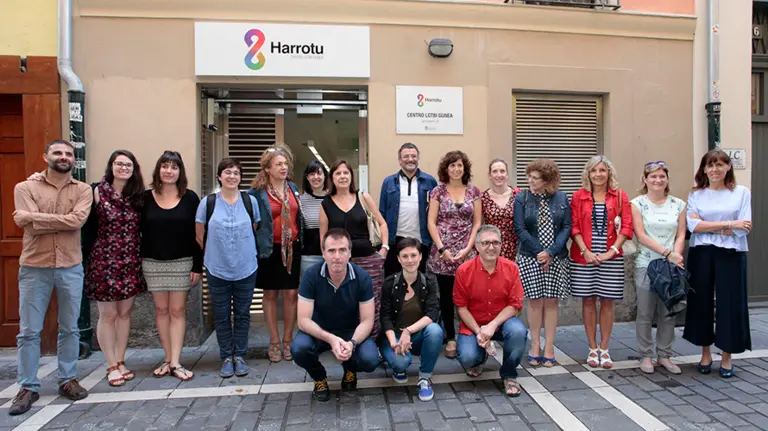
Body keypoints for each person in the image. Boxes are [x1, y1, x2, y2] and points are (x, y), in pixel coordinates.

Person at [9, 140, 92, 415]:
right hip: (35, 266)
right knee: (29, 331)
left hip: (70, 266)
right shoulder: (25, 188)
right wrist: (57, 220)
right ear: (46, 156)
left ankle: (67, 379)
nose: (63, 157)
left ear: (74, 159)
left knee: (70, 328)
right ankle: (28, 386)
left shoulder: (83, 190)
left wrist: (35, 218)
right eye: (58, 153)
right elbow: (26, 225)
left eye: (68, 153)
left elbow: (77, 221)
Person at [684, 150, 752, 378]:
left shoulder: (741, 193)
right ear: (704, 169)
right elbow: (694, 227)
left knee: (730, 303)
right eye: (711, 165)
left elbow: (744, 227)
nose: (715, 170)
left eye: (720, 165)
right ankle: (705, 353)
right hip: (701, 252)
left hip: (732, 253)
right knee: (701, 301)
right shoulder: (696, 194)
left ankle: (726, 356)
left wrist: (709, 225)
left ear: (728, 167)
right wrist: (729, 225)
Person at [291, 228, 380, 402]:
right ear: (323, 253)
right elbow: (303, 320)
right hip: (319, 332)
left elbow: (367, 320)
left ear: (350, 253)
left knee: (370, 360)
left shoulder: (363, 278)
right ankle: (319, 377)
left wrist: (352, 343)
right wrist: (331, 339)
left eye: (342, 250)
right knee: (299, 349)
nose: (337, 256)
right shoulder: (311, 275)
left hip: (350, 332)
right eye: (331, 250)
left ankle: (350, 368)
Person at [86, 149, 147, 387]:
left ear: (134, 169)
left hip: (131, 259)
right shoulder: (96, 191)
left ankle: (121, 360)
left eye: (128, 165)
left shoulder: (137, 195)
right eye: (119, 164)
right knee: (108, 314)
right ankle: (110, 364)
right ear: (111, 166)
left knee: (124, 313)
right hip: (104, 260)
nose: (123, 168)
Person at [195, 158, 261, 378]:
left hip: (246, 267)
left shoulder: (250, 201)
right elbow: (200, 234)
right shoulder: (208, 202)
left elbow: (254, 227)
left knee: (242, 314)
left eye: (236, 173)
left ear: (240, 177)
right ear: (219, 176)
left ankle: (239, 355)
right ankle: (226, 356)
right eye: (227, 172)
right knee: (221, 315)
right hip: (217, 268)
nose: (232, 176)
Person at [141, 151, 201, 381]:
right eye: (165, 166)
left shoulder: (191, 198)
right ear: (158, 170)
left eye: (174, 167)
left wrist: (197, 265)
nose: (169, 171)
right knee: (161, 310)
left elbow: (198, 235)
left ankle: (176, 361)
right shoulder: (145, 198)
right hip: (152, 262)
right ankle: (167, 358)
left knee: (177, 310)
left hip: (182, 262)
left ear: (180, 172)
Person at [569, 155, 632, 369]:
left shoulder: (620, 196)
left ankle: (604, 349)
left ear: (609, 173)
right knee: (587, 301)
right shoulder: (578, 196)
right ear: (588, 173)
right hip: (584, 257)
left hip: (610, 257)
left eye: (602, 170)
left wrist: (611, 252)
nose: (598, 174)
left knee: (607, 301)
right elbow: (574, 226)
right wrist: (585, 251)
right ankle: (592, 347)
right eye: (594, 170)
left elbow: (626, 227)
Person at [454, 225, 528, 397]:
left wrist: (492, 325)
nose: (491, 247)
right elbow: (461, 308)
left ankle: (509, 374)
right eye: (486, 243)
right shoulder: (464, 271)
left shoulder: (512, 268)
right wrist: (479, 332)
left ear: (501, 245)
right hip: (474, 324)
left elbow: (515, 304)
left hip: (502, 323)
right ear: (477, 246)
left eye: (495, 243)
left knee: (518, 331)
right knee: (467, 357)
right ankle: (480, 358)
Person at [320, 160, 389, 339]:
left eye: (346, 173)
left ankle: (371, 342)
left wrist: (384, 249)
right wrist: (329, 260)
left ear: (351, 176)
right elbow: (323, 237)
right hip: (340, 262)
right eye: (338, 173)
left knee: (372, 303)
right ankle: (346, 343)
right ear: (332, 178)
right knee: (344, 303)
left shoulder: (363, 197)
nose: (342, 176)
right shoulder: (325, 204)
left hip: (368, 260)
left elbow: (382, 223)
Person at [513, 160, 571, 367]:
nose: (530, 180)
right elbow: (520, 228)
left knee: (552, 301)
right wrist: (540, 252)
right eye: (529, 176)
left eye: (535, 178)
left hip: (556, 257)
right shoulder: (521, 198)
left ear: (547, 180)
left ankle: (549, 347)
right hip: (530, 256)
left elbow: (566, 227)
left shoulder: (561, 197)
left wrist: (551, 252)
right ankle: (535, 344)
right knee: (535, 301)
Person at [630, 161, 686, 375]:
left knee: (668, 312)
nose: (658, 180)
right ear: (645, 179)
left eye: (662, 176)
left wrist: (676, 256)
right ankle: (646, 355)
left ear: (667, 179)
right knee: (645, 312)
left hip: (671, 266)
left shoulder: (678, 204)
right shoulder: (637, 204)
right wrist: (667, 253)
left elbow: (681, 234)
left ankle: (664, 354)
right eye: (653, 176)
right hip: (647, 264)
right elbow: (641, 235)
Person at [249, 146, 303, 363]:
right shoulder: (256, 193)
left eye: (285, 163)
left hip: (292, 249)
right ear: (267, 168)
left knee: (291, 294)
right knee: (270, 294)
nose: (283, 167)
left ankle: (288, 339)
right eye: (278, 164)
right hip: (269, 249)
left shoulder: (293, 188)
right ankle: (274, 341)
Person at [427, 150, 482, 358]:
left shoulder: (474, 191)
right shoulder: (438, 191)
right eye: (452, 165)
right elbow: (431, 222)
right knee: (446, 297)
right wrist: (442, 249)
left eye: (460, 165)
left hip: (467, 251)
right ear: (446, 168)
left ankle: (470, 334)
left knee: (469, 296)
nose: (456, 169)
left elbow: (477, 223)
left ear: (465, 168)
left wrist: (469, 248)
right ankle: (450, 337)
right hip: (443, 253)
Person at [379, 237, 443, 402]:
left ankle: (424, 378)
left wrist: (408, 331)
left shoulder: (429, 282)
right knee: (400, 363)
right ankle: (396, 365)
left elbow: (432, 313)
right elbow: (385, 316)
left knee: (435, 330)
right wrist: (393, 342)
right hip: (394, 335)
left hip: (417, 336)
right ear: (398, 259)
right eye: (405, 256)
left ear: (420, 256)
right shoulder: (389, 283)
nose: (410, 260)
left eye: (414, 255)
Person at [379, 143, 438, 276]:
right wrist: (384, 243)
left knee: (420, 280)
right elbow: (382, 213)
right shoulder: (388, 182)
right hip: (394, 241)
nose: (410, 159)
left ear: (418, 158)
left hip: (421, 241)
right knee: (393, 279)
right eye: (406, 156)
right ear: (400, 160)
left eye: (413, 156)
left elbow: (436, 213)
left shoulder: (430, 182)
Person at [481, 158, 521, 261]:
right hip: (491, 248)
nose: (499, 175)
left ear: (507, 174)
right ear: (489, 175)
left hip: (515, 249)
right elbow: (479, 226)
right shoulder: (482, 198)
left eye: (502, 171)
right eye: (495, 171)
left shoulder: (518, 195)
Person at [299, 161, 329, 277]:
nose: (316, 177)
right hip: (309, 256)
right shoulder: (300, 200)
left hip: (333, 254)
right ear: (307, 177)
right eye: (312, 174)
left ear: (325, 176)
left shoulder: (333, 198)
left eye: (319, 173)